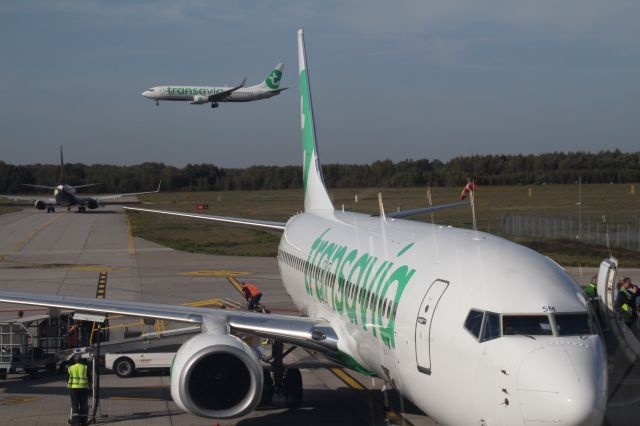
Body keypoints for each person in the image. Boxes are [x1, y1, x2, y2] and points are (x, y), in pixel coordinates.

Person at [67, 354, 90, 426]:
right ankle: (83, 422)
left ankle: (76, 423)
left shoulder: (70, 368)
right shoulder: (85, 368)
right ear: (81, 360)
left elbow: (67, 379)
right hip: (83, 389)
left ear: (75, 360)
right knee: (83, 405)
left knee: (75, 405)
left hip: (73, 389)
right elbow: (89, 378)